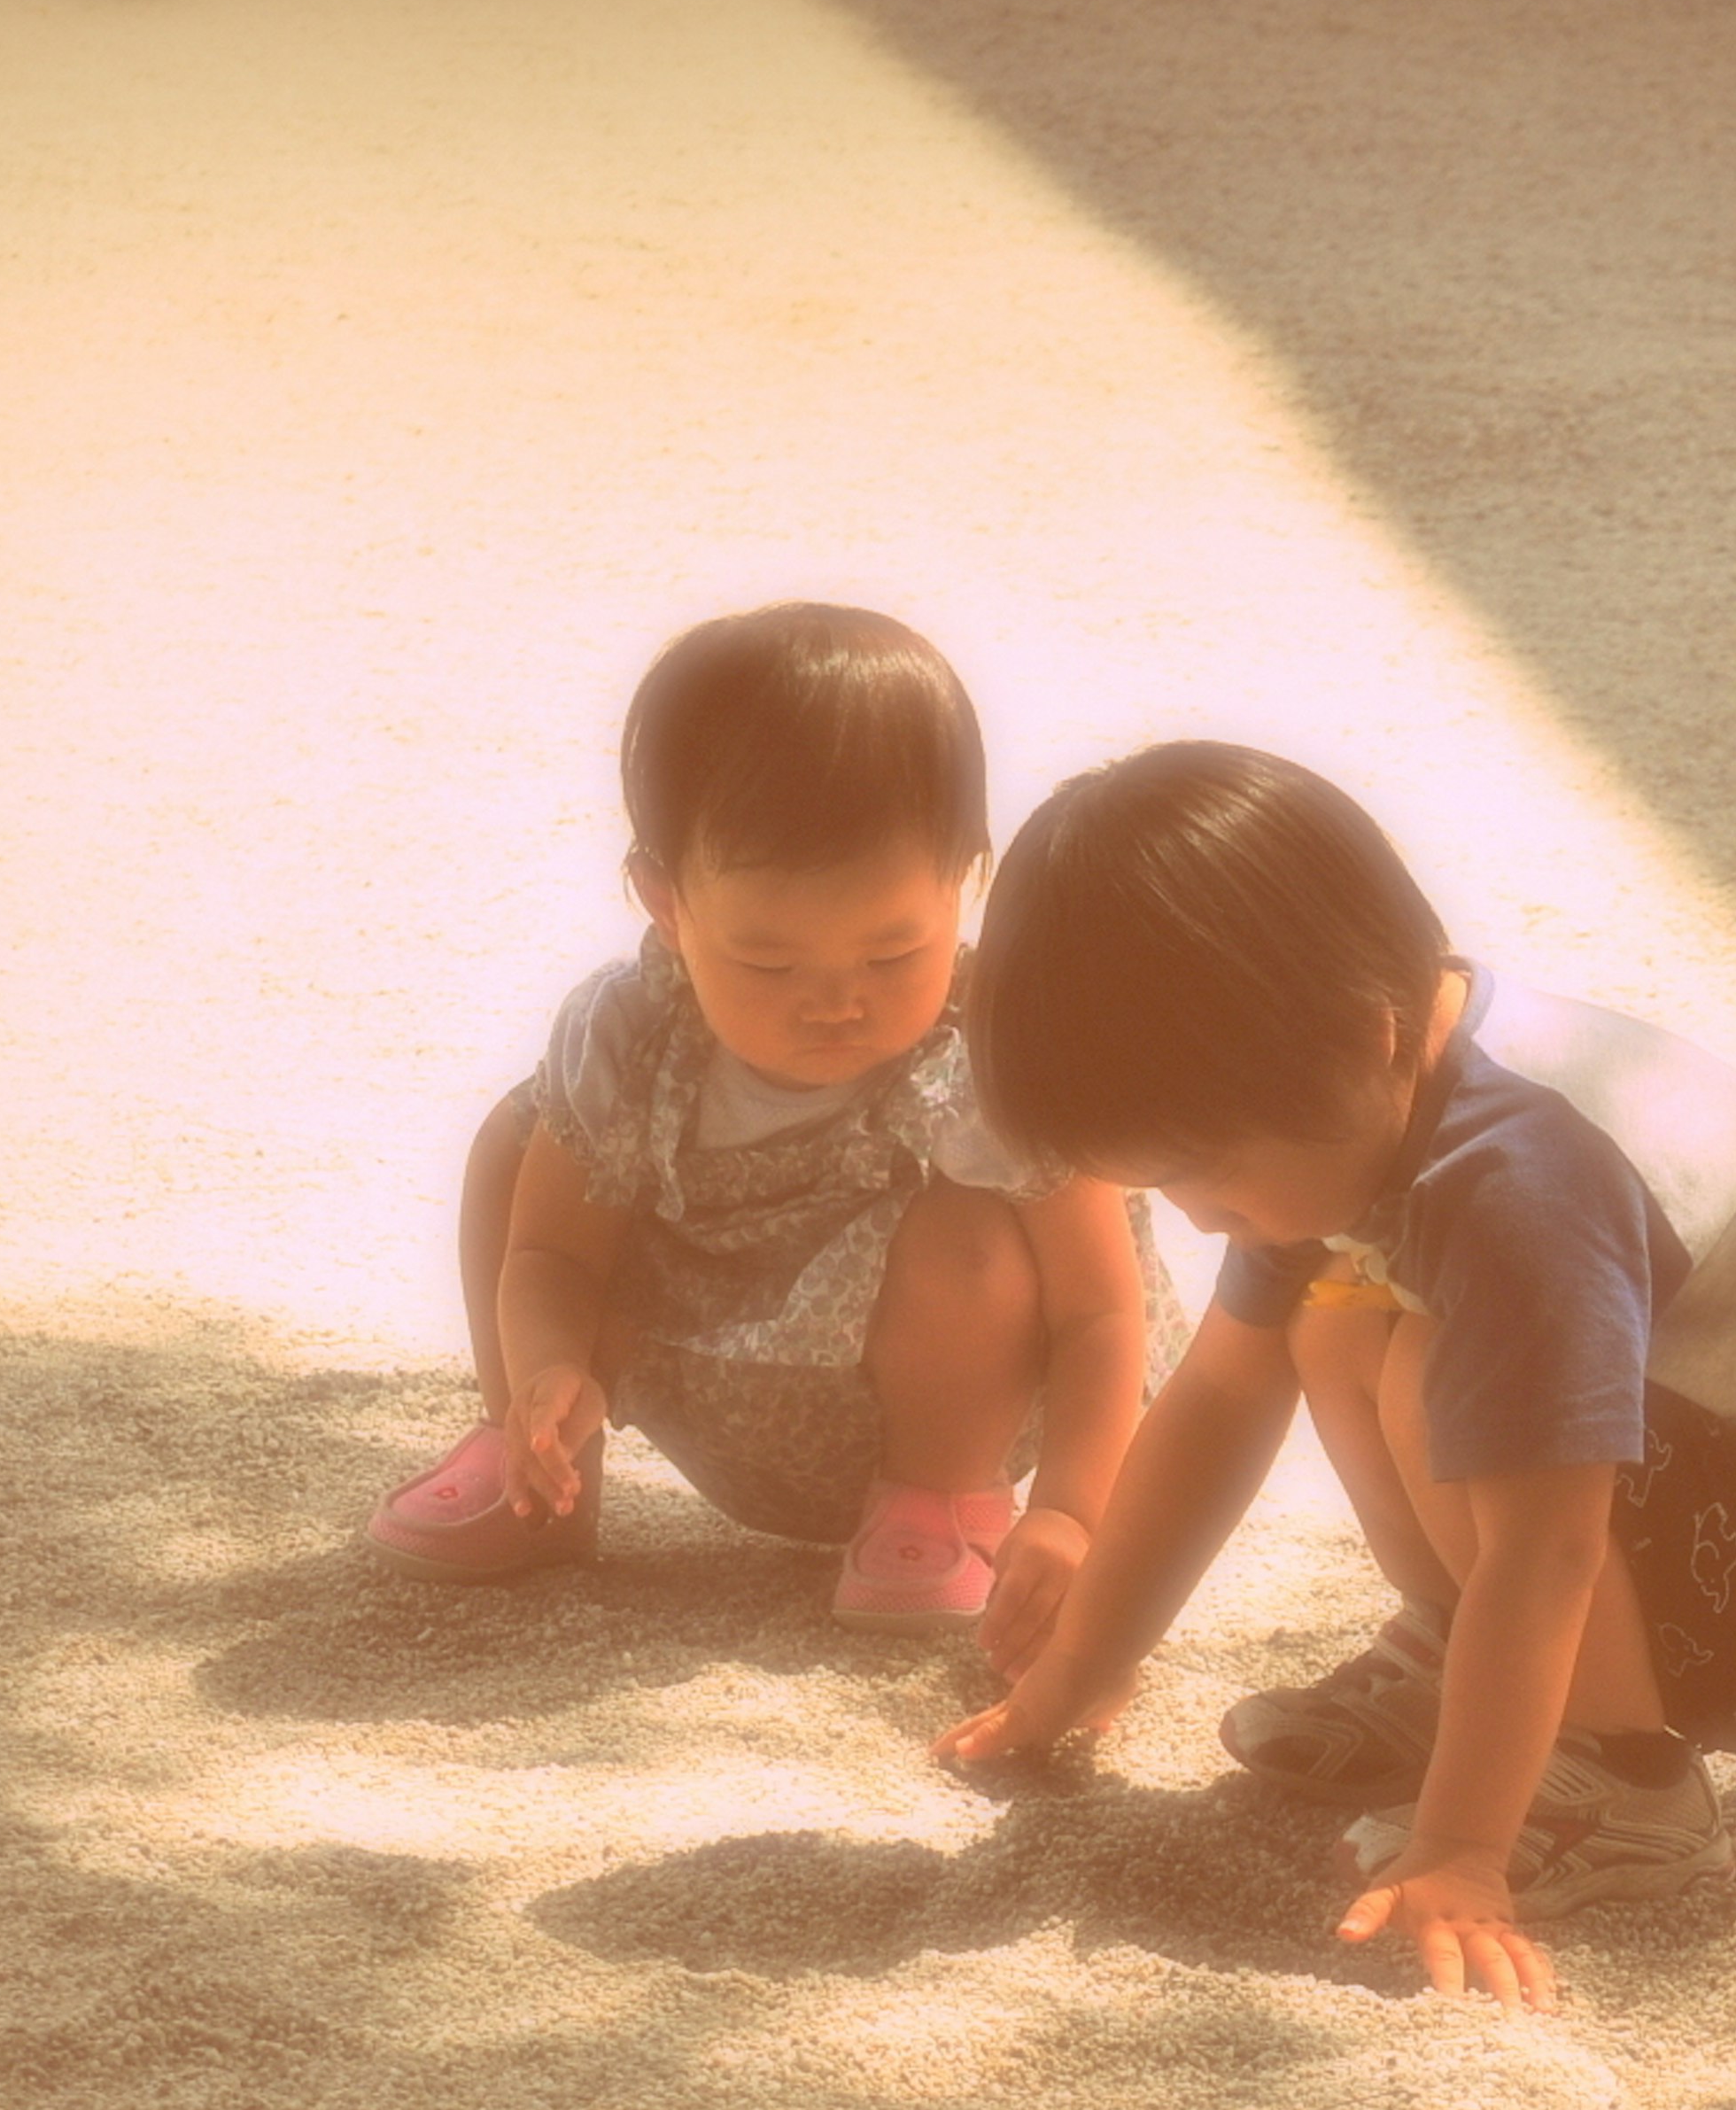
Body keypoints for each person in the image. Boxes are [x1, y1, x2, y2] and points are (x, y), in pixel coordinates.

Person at [936, 745, 1736, 2010]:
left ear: (1360, 1042)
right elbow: (1216, 1394)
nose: (1201, 1220)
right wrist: (1080, 1671)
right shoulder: (1352, 1087)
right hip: (1716, 1512)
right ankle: (1460, 1662)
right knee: (1331, 1319)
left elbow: (1546, 1549)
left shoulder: (1524, 1185)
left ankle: (1623, 1781)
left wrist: (1462, 1851)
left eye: (1206, 1174)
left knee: (1427, 1358)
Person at [368, 606, 1174, 1641]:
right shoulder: (632, 1036)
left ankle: (941, 1502)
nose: (835, 1001)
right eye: (768, 962)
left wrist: (1070, 1510)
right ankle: (535, 1466)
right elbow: (550, 1254)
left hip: (925, 1402)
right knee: (520, 1134)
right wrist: (546, 1367)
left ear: (967, 879)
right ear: (664, 902)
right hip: (702, 1369)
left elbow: (1103, 1314)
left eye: (893, 954)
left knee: (968, 1236)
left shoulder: (993, 1063)